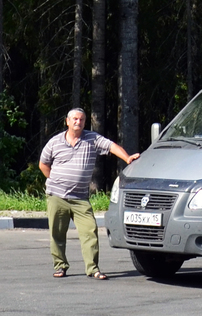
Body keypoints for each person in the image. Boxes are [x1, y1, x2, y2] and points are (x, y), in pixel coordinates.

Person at [39, 108, 135, 279]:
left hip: (80, 198)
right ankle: (60, 266)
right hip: (56, 196)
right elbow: (43, 164)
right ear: (67, 121)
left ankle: (93, 268)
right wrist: (55, 180)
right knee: (57, 233)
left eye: (81, 119)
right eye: (75, 119)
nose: (78, 122)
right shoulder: (55, 142)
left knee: (90, 230)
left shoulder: (92, 139)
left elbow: (112, 146)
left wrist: (127, 158)